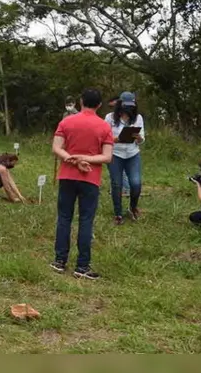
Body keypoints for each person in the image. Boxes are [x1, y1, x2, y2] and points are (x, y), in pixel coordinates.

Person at [50, 88, 113, 280]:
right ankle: (82, 266)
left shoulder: (66, 121)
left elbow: (56, 148)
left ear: (80, 101)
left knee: (64, 218)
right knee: (86, 220)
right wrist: (86, 159)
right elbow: (107, 157)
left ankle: (60, 261)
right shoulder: (104, 127)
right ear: (100, 105)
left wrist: (73, 158)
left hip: (67, 176)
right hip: (90, 178)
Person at [105, 92, 145, 225]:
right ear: (119, 105)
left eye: (131, 106)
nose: (128, 109)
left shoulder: (138, 118)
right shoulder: (109, 118)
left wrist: (138, 138)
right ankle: (118, 213)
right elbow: (104, 138)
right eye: (126, 106)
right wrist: (116, 139)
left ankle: (133, 207)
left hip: (132, 154)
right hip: (115, 154)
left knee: (136, 183)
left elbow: (141, 139)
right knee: (117, 184)